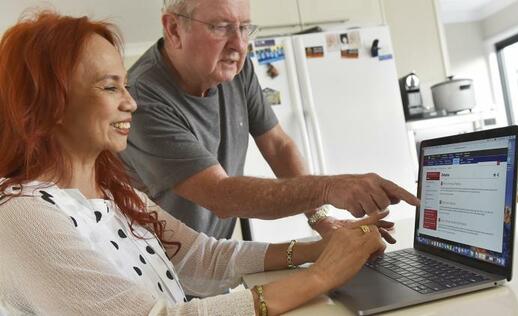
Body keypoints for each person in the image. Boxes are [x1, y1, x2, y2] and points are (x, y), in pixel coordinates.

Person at [0, 12, 391, 315]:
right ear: (48, 103)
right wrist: (322, 275)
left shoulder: (111, 193)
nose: (130, 102)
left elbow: (202, 256)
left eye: (125, 85)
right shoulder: (20, 214)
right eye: (109, 87)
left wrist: (323, 246)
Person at [120, 0, 419, 240]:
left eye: (245, 28)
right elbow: (220, 195)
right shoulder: (141, 99)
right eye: (221, 27)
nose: (238, 44)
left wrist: (322, 220)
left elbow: (277, 145)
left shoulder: (237, 68)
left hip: (211, 258)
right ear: (173, 29)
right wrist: (327, 188)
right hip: (162, 273)